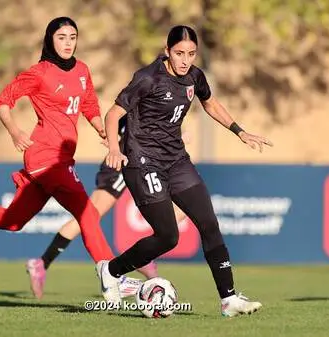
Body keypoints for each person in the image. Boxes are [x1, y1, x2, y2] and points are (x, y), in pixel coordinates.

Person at [0, 17, 123, 278]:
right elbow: (2, 101)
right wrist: (15, 132)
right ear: (50, 39)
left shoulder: (82, 70)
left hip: (58, 159)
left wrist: (101, 129)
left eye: (73, 37)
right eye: (62, 37)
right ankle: (110, 274)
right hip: (46, 157)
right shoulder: (40, 73)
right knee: (87, 212)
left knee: (14, 221)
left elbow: (89, 105)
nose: (68, 43)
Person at [96, 25, 273, 317]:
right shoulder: (147, 78)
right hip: (142, 163)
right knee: (168, 237)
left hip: (177, 161)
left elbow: (210, 102)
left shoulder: (194, 76)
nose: (185, 60)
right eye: (179, 53)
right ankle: (112, 270)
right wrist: (115, 148)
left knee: (209, 224)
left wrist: (239, 131)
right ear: (167, 51)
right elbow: (113, 114)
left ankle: (229, 299)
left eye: (191, 54)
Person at [26, 115, 189, 299]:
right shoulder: (141, 102)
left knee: (182, 208)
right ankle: (42, 262)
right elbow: (126, 130)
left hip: (144, 166)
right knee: (88, 217)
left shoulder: (149, 103)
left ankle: (145, 255)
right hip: (120, 166)